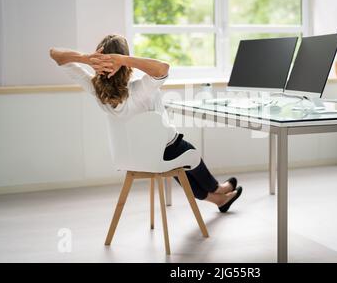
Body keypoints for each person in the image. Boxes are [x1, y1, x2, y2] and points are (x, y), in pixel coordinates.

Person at [50, 34, 242, 213]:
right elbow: (163, 68)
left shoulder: (95, 89)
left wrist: (86, 59)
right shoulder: (140, 89)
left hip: (132, 157)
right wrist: (123, 60)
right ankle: (217, 188)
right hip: (165, 152)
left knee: (175, 162)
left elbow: (55, 54)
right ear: (124, 61)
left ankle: (218, 199)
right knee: (187, 154)